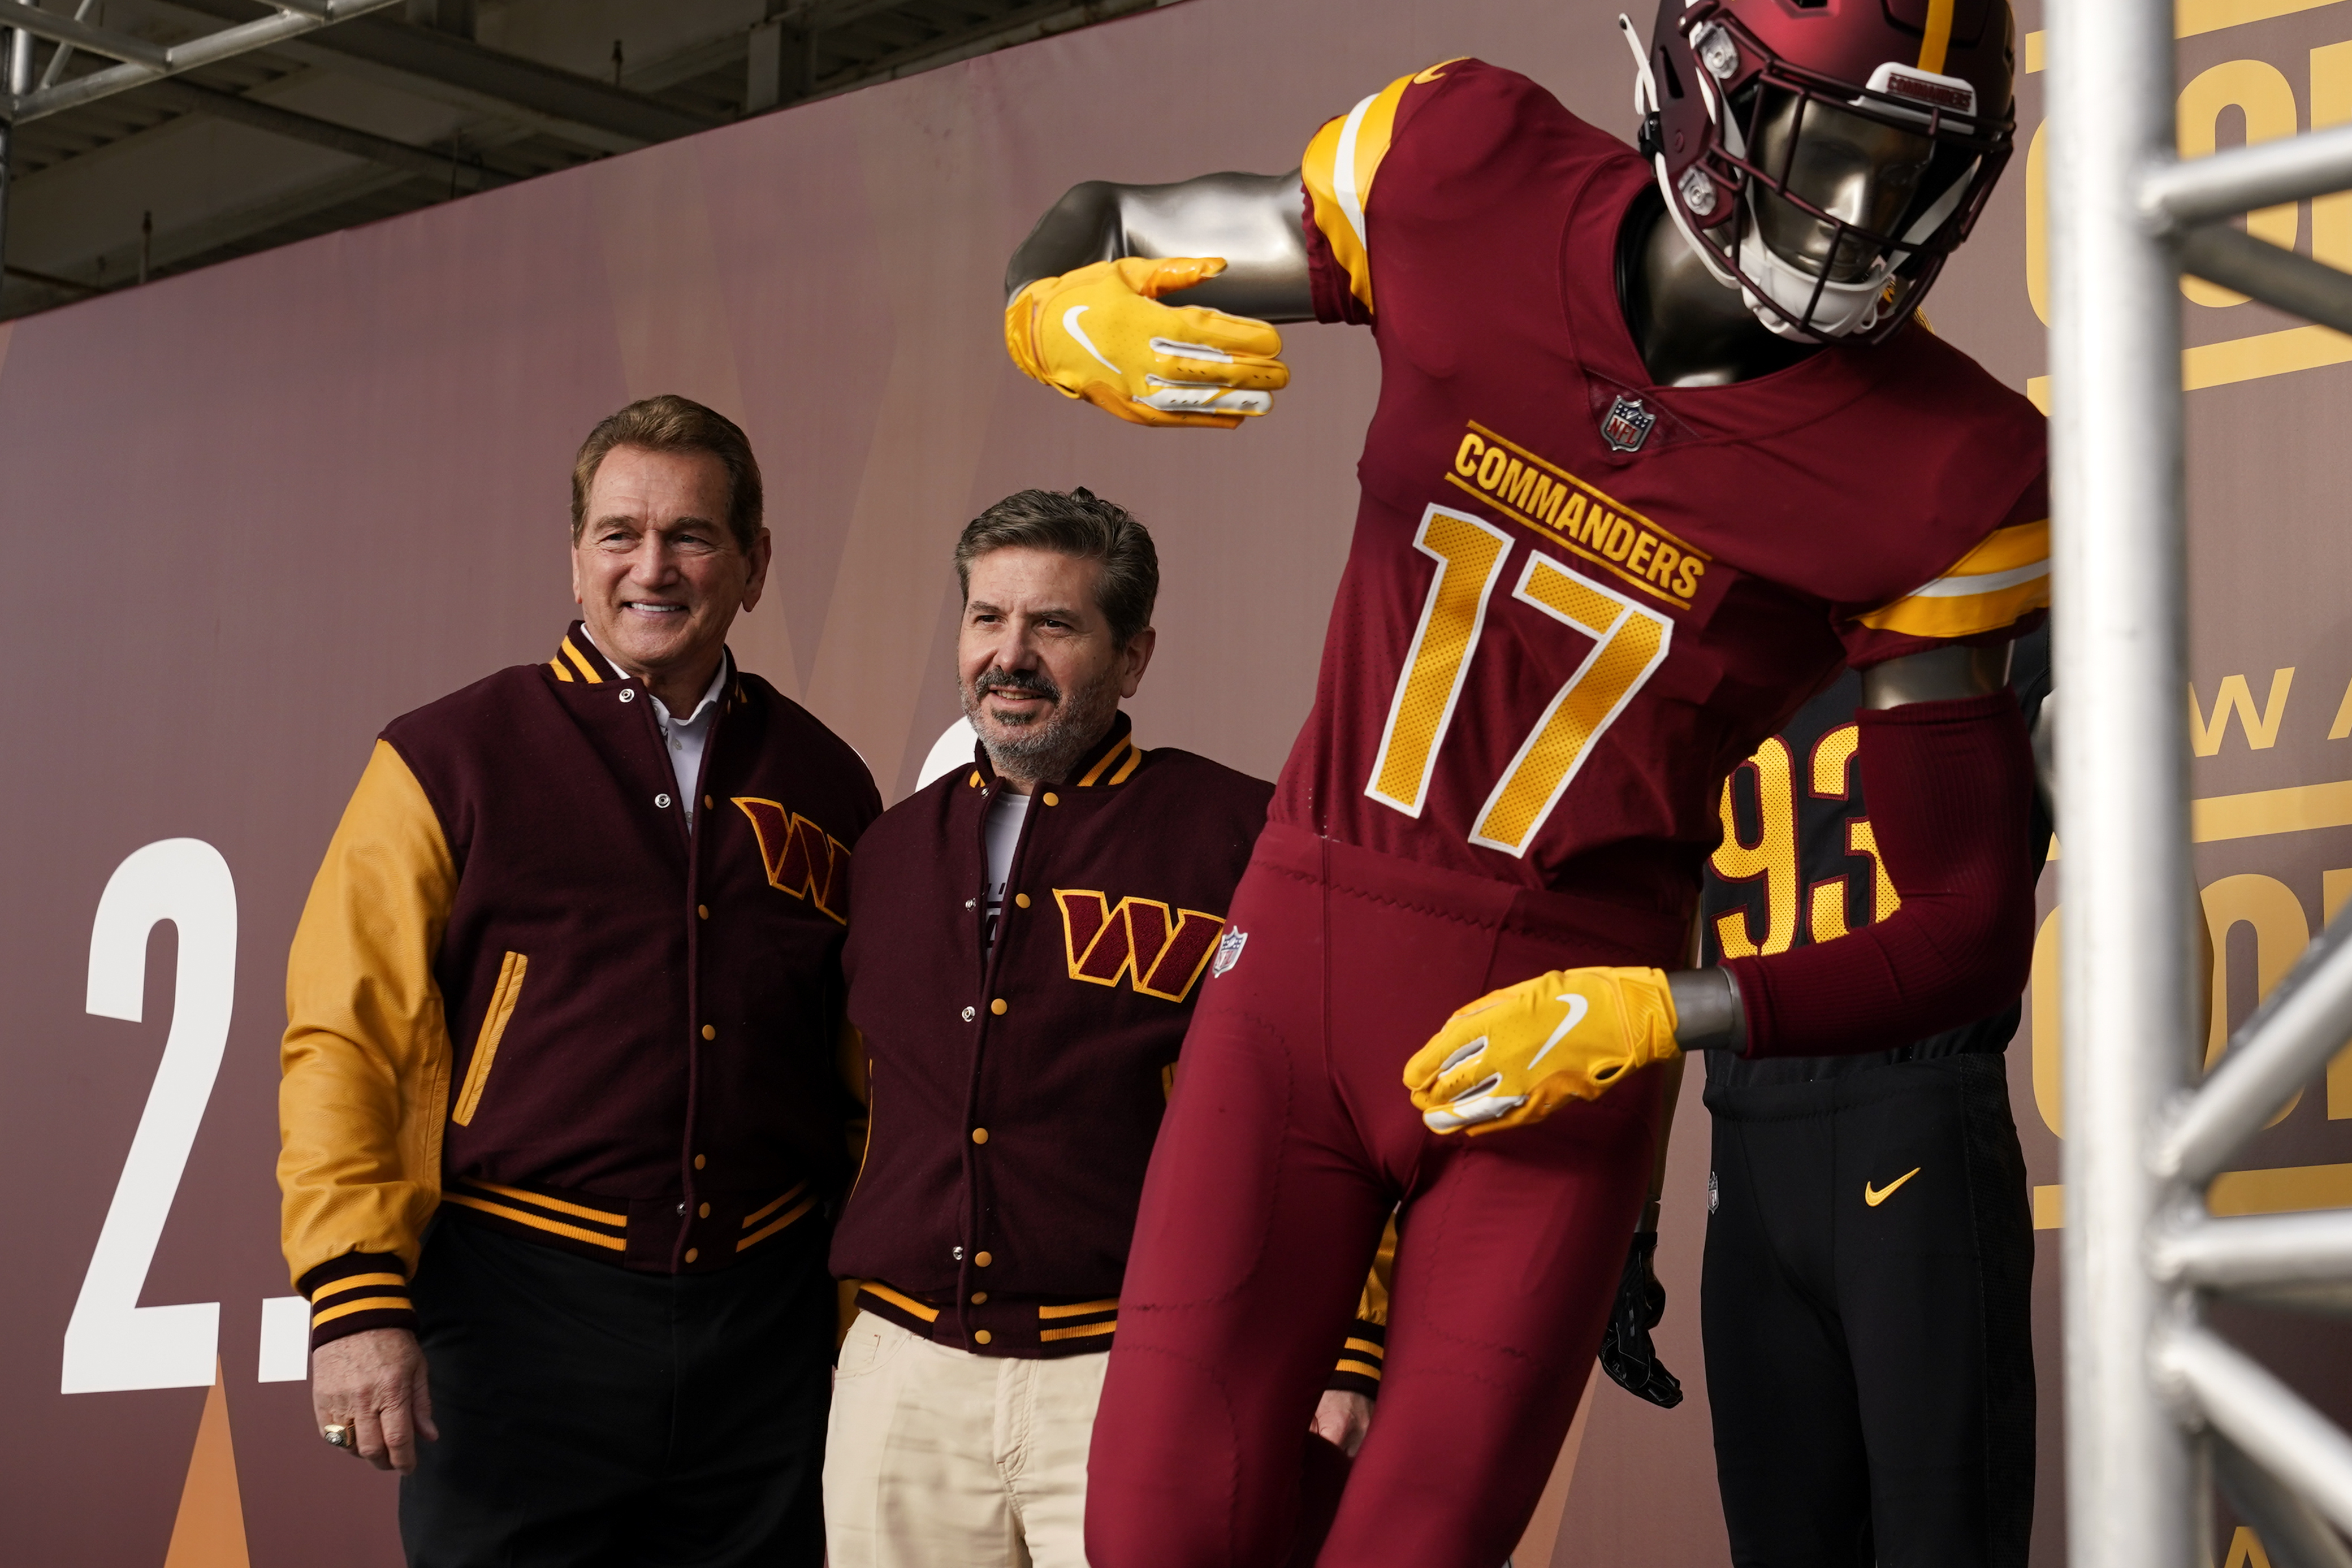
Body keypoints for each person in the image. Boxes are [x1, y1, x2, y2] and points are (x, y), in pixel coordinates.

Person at [996, 0, 2048, 1561]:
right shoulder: (1461, 162)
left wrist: (1666, 1011)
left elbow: (1968, 922)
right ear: (1702, 90)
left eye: (1913, 172)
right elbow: (1109, 221)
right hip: (1301, 967)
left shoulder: (1956, 469)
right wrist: (1047, 301)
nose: (1859, 214)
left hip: (1559, 1040)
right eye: (1831, 145)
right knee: (1153, 1534)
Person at [276, 395, 879, 1566]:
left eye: (691, 536)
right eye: (620, 534)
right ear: (575, 557)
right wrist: (353, 1295)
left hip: (764, 1330)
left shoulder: (829, 783)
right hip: (513, 1317)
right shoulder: (446, 755)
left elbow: (873, 1075)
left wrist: (859, 1317)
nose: (651, 567)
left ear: (755, 564)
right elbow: (349, 1037)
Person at [823, 487, 1387, 1568]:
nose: (1011, 654)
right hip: (902, 1379)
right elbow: (851, 1107)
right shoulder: (887, 856)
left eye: (1055, 624)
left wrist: (1351, 1343)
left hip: (1138, 1368)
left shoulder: (1238, 836)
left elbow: (1345, 1101)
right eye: (988, 617)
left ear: (1133, 658)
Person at [1697, 624, 2050, 1567]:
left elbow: (2143, 886)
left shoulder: (2009, 622)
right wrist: (1638, 1215)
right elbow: (1657, 933)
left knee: (1945, 1541)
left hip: (1911, 1117)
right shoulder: (1717, 634)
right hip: (1747, 1142)